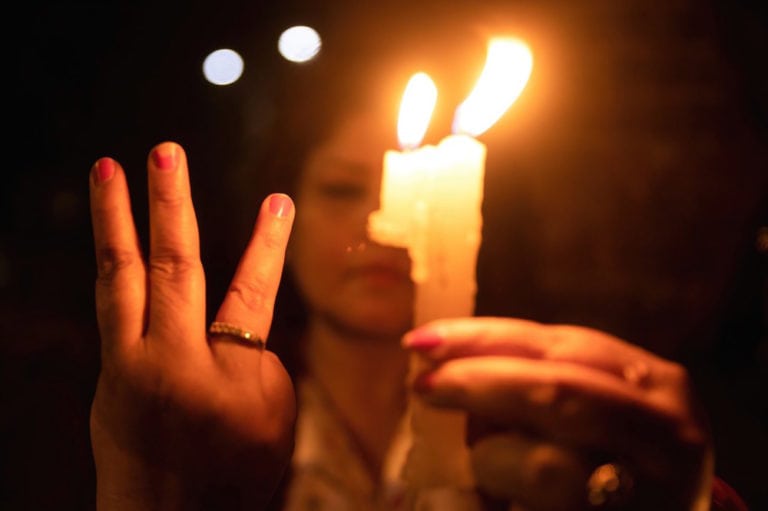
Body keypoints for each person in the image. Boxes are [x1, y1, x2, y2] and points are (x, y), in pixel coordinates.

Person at [87, 7, 759, 511]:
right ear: (283, 204)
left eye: (419, 197)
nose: (383, 229)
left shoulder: (547, 435)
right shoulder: (186, 426)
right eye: (345, 189)